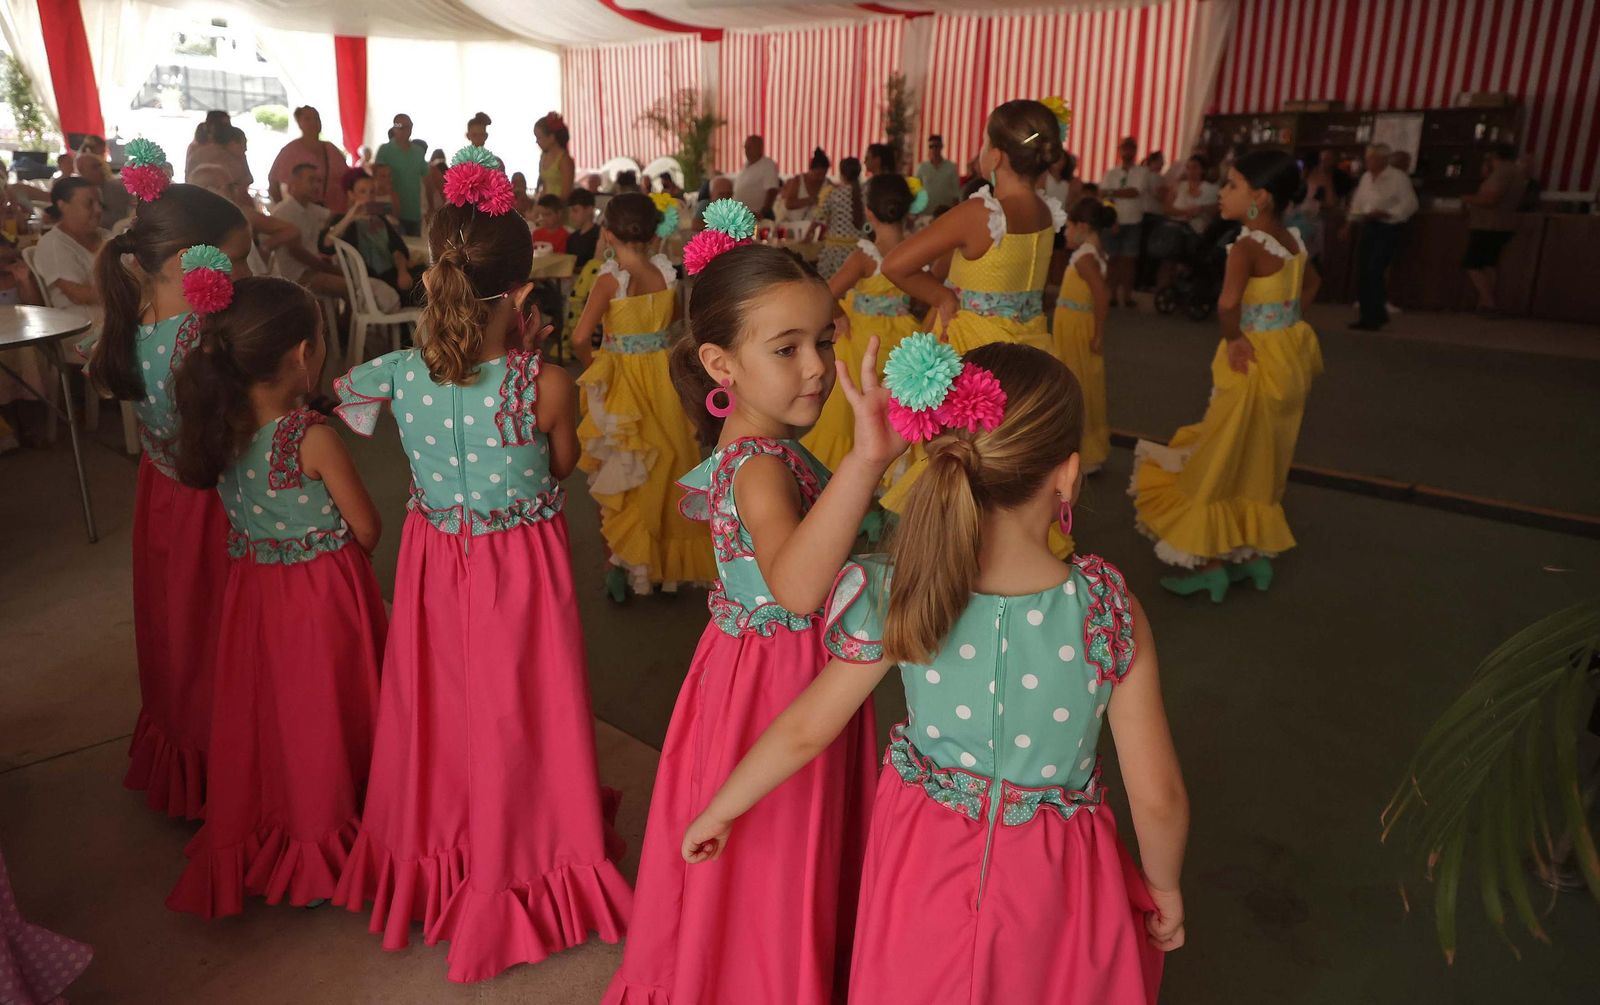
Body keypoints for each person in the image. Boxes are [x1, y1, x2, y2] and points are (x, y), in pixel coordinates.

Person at [683, 341, 1186, 1003]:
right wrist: (1164, 887)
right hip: (1056, 877)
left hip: (923, 860)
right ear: (1065, 475)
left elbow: (808, 727)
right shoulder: (1108, 611)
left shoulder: (906, 588)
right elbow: (1158, 796)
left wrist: (720, 808)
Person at [330, 157, 630, 983]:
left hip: (435, 563)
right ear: (525, 293)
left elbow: (343, 396)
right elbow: (562, 466)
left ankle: (442, 841)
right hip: (519, 570)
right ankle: (533, 838)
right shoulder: (549, 383)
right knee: (521, 702)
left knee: (443, 699)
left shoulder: (397, 374)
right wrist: (523, 359)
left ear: (437, 276)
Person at [602, 235, 904, 1005]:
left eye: (823, 341)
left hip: (767, 677)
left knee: (778, 853)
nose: (814, 366)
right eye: (787, 347)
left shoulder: (769, 448)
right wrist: (867, 465)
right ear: (720, 366)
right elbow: (800, 590)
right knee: (775, 852)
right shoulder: (761, 465)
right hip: (773, 692)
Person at [165, 274, 385, 919]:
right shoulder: (310, 438)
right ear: (303, 355)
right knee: (327, 707)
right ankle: (327, 838)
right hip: (322, 600)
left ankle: (285, 821)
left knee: (283, 713)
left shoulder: (219, 429)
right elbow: (366, 529)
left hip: (257, 595)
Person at [88, 181, 253, 817]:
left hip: (163, 500)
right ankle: (235, 771)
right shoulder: (202, 342)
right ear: (191, 261)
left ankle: (191, 764)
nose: (244, 274)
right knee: (221, 637)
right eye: (235, 260)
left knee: (178, 632)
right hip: (214, 502)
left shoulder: (132, 324)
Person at [1131, 150, 1323, 600]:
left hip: (1253, 361)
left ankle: (1211, 561)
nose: (1223, 192)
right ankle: (1254, 557)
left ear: (1259, 197)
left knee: (1220, 451)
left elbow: (1226, 303)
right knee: (1261, 455)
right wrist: (1285, 322)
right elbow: (1312, 284)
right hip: (1287, 358)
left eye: (1233, 185)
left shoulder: (1247, 245)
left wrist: (1236, 337)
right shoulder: (1292, 241)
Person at [571, 193, 715, 599]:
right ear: (654, 233)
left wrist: (595, 365)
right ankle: (672, 559)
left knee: (622, 468)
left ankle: (620, 565)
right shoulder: (668, 275)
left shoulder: (607, 280)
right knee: (670, 462)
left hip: (622, 381)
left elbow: (582, 337)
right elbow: (674, 327)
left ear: (607, 233)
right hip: (664, 374)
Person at [882, 99, 1067, 363]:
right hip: (1030, 350)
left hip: (977, 349)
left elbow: (894, 265)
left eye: (984, 141)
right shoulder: (1047, 211)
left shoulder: (982, 214)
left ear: (996, 155)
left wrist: (944, 297)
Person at [801, 174, 919, 471]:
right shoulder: (917, 251)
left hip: (864, 340)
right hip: (905, 337)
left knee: (850, 412)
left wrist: (839, 314)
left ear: (868, 212)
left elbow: (825, 293)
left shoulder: (865, 256)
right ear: (908, 209)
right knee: (896, 405)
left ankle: (849, 471)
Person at [270, 164, 400, 311]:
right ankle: (349, 329)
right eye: (311, 180)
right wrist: (331, 269)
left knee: (360, 281)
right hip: (298, 275)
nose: (317, 186)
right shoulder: (285, 211)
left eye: (319, 181)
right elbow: (298, 254)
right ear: (293, 182)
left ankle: (348, 328)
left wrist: (375, 205)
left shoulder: (310, 208)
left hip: (315, 269)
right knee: (354, 286)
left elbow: (339, 217)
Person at [1053, 197, 1115, 474]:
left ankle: (1085, 451)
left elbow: (1102, 295)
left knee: (1078, 380)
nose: (1065, 233)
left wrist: (1099, 332)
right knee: (1081, 378)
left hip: (1078, 327)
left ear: (1083, 226)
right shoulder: (1091, 254)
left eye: (1068, 227)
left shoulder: (1085, 257)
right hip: (1074, 323)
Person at [1346, 143, 1417, 332]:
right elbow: (1358, 203)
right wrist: (1349, 223)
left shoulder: (1398, 178)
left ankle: (1376, 314)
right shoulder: (1366, 178)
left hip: (1388, 227)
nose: (1370, 162)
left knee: (1375, 270)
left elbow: (1410, 204)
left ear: (1384, 159)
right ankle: (1366, 315)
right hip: (1368, 225)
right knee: (1362, 269)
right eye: (1368, 158)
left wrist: (1388, 213)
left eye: (1374, 158)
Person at [324, 173, 420, 301]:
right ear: (351, 194)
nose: (369, 196)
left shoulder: (378, 216)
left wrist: (402, 271)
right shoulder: (344, 222)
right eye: (363, 192)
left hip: (395, 273)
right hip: (374, 283)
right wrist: (350, 217)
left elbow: (399, 246)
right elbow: (326, 245)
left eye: (372, 192)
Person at [32, 178, 108, 329]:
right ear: (63, 206)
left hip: (118, 321)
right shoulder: (53, 244)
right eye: (89, 204)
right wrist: (131, 293)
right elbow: (79, 295)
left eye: (100, 204)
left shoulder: (108, 237)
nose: (98, 210)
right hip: (84, 331)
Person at [1459, 143, 1526, 313]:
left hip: (1488, 224)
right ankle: (1484, 301)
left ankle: (1488, 301)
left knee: (1472, 263)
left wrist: (1467, 199)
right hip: (1504, 224)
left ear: (1494, 156)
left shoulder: (1502, 172)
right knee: (1489, 263)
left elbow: (1491, 199)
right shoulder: (1517, 172)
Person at [1099, 137, 1152, 307]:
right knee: (1111, 259)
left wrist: (1112, 192)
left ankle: (1127, 296)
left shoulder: (1142, 172)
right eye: (1124, 148)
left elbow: (1134, 192)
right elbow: (1103, 196)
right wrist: (1111, 206)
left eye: (1130, 149)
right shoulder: (1111, 173)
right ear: (1119, 150)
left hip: (1133, 221)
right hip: (1113, 220)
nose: (1127, 152)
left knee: (1129, 261)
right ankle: (1111, 294)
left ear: (1135, 151)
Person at [268, 106, 348, 214]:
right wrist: (284, 210)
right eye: (308, 119)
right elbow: (274, 181)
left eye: (316, 118)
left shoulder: (331, 149)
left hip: (333, 212)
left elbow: (347, 178)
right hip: (302, 215)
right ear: (299, 123)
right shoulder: (290, 151)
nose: (314, 122)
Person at [374, 113, 427, 237]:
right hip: (390, 212)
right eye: (400, 126)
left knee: (414, 252)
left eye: (407, 126)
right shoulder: (385, 150)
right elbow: (377, 177)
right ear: (394, 128)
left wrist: (430, 206)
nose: (404, 130)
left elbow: (426, 176)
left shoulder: (418, 151)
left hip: (414, 211)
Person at [816, 157, 866, 278]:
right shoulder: (866, 194)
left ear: (841, 173)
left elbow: (819, 217)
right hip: (860, 249)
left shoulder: (832, 193)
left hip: (835, 250)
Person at [73, 150, 131, 230]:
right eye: (94, 167)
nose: (101, 169)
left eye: (100, 165)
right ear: (81, 170)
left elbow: (117, 219)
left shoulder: (115, 188)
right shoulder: (76, 190)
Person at [1166, 155, 1219, 235]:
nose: (1190, 171)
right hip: (1175, 230)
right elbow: (1167, 208)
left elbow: (1217, 210)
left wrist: (1202, 209)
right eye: (1188, 168)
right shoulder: (1179, 186)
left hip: (1198, 233)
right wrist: (1185, 212)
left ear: (1203, 170)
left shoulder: (1212, 189)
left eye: (1194, 167)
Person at [732, 134, 780, 219]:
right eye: (745, 147)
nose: (746, 150)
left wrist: (763, 212)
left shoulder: (767, 164)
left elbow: (772, 190)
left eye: (749, 147)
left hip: (756, 217)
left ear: (759, 147)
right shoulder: (745, 166)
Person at [777, 148, 830, 223]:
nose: (820, 177)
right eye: (818, 174)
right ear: (811, 170)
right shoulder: (798, 180)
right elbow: (788, 204)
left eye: (823, 174)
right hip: (795, 224)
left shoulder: (827, 183)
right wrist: (809, 200)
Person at [916, 133, 962, 215]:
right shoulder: (922, 168)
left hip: (945, 213)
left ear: (941, 147)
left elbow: (956, 193)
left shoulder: (951, 167)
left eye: (936, 146)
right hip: (926, 213)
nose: (933, 149)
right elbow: (917, 191)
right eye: (931, 147)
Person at [534, 111, 575, 200]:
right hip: (546, 207)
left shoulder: (565, 160)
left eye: (539, 138)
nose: (537, 142)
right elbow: (545, 187)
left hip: (559, 210)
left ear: (552, 138)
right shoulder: (543, 156)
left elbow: (565, 195)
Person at [565, 188, 600, 269]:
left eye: (575, 210)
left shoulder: (599, 236)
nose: (571, 216)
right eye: (570, 211)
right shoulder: (572, 238)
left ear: (589, 209)